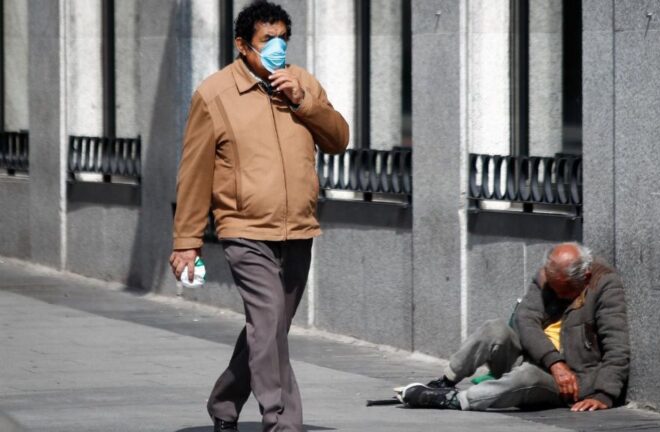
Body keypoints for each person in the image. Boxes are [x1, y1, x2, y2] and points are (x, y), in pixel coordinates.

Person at [167, 1, 349, 431]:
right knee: (267, 325)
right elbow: (194, 172)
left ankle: (224, 403)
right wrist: (186, 241)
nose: (278, 47)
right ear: (242, 44)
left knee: (269, 331)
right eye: (268, 39)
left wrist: (304, 102)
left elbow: (339, 138)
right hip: (244, 228)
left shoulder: (302, 83)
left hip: (298, 227)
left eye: (283, 38)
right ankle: (282, 422)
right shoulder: (214, 94)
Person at [400, 242, 630, 412]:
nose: (557, 294)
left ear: (585, 276)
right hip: (537, 359)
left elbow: (617, 346)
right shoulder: (547, 277)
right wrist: (554, 362)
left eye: (565, 289)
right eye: (553, 287)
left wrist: (605, 394)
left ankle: (457, 400)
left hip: (571, 379)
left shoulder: (605, 285)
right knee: (495, 329)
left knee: (527, 375)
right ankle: (445, 382)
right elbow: (525, 319)